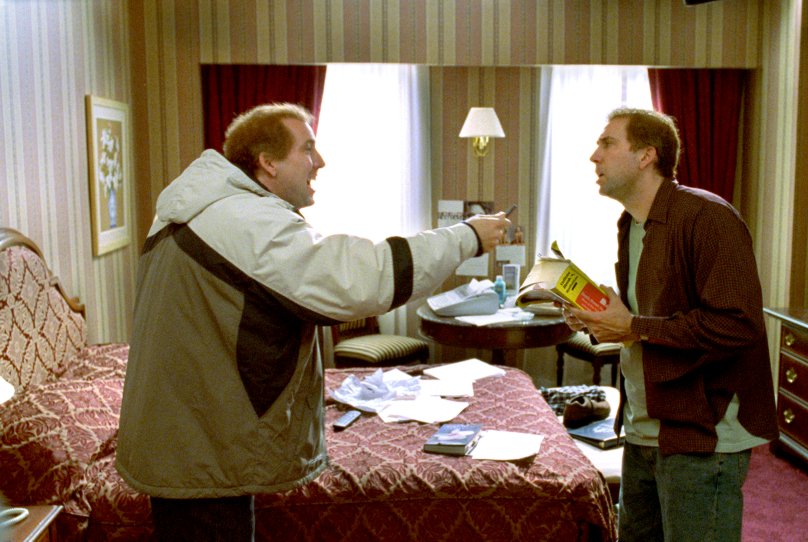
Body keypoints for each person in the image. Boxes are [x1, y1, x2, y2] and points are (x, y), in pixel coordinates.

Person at [115, 103, 511, 541]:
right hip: (202, 443)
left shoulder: (206, 208)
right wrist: (466, 236)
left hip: (192, 431)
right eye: (307, 148)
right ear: (268, 162)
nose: (319, 161)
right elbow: (360, 277)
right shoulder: (240, 219)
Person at [562, 107, 778, 541]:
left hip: (702, 434)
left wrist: (635, 326)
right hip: (643, 426)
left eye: (607, 144)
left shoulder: (708, 217)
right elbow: (648, 317)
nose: (594, 156)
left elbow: (738, 325)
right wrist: (603, 319)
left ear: (646, 156)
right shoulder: (631, 224)